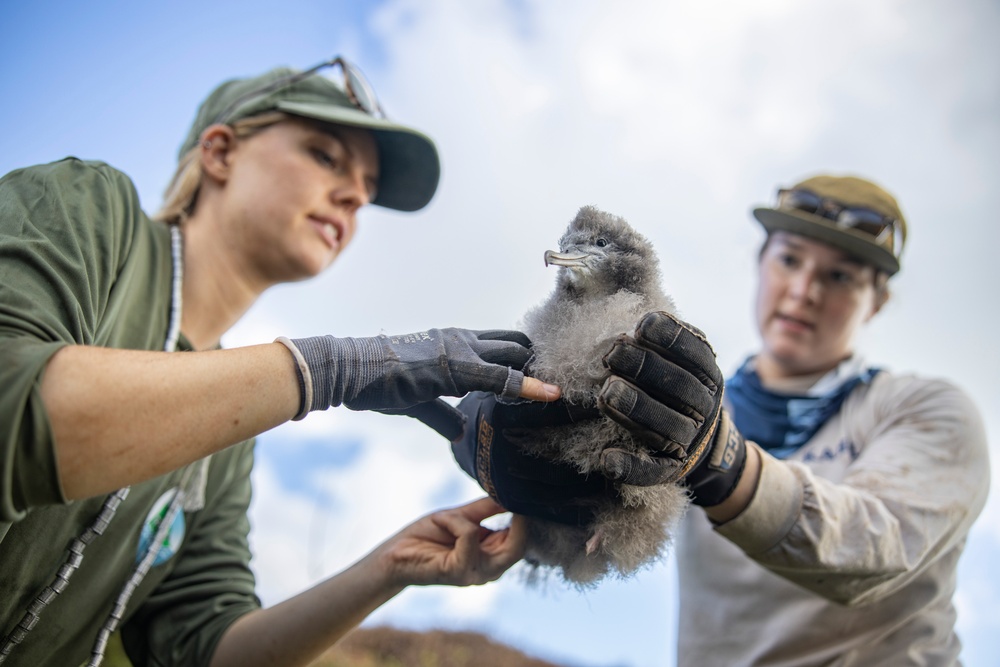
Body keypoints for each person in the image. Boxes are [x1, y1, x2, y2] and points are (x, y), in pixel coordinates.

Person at [0, 56, 564, 667]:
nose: (354, 196)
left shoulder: (229, 437)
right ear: (219, 152)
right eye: (325, 156)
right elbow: (14, 412)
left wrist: (387, 569)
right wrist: (329, 371)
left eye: (367, 191)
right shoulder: (88, 207)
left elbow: (204, 647)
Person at [453, 174, 990, 665]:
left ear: (876, 302)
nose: (804, 291)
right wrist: (516, 473)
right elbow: (598, 531)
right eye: (790, 260)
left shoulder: (926, 411)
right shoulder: (670, 401)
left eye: (841, 276)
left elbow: (878, 547)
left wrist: (722, 463)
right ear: (761, 263)